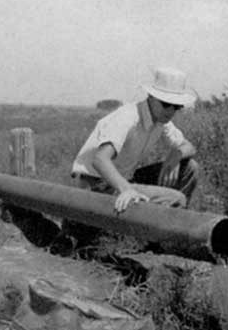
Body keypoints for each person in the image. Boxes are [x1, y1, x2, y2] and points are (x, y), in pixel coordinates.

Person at [54, 66, 200, 255]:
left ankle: (158, 237)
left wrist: (176, 155)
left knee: (190, 167)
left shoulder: (161, 121)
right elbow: (100, 159)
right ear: (151, 98)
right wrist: (127, 189)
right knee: (176, 199)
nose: (171, 110)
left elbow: (190, 146)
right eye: (166, 104)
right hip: (98, 185)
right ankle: (150, 240)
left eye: (177, 106)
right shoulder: (128, 117)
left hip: (122, 180)